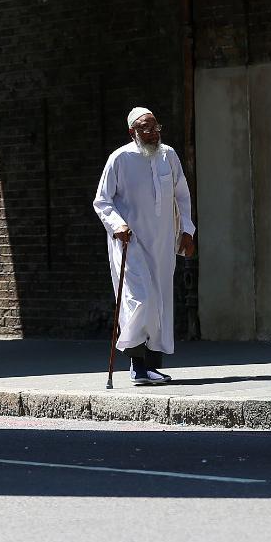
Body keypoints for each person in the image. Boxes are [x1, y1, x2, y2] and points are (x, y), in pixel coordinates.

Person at [93, 107, 196, 385]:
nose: (152, 133)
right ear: (132, 132)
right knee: (141, 301)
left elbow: (182, 195)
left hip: (162, 244)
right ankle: (137, 365)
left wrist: (187, 231)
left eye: (155, 127)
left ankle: (150, 367)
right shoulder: (120, 158)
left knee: (159, 303)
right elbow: (102, 200)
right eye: (145, 128)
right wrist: (117, 225)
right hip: (132, 243)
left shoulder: (168, 156)